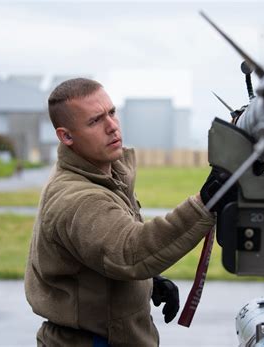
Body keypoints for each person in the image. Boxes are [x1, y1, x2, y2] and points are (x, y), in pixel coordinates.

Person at [24, 78, 228, 347]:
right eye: (95, 121)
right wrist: (204, 203)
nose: (112, 126)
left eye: (111, 112)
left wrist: (150, 282)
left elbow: (103, 250)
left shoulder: (105, 173)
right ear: (66, 136)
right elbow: (131, 250)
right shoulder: (77, 198)